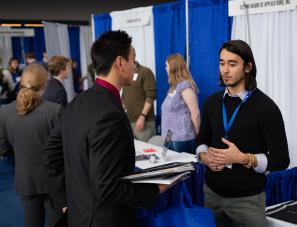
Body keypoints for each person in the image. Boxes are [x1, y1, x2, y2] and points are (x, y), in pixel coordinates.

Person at [43, 30, 170, 227]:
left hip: (78, 215)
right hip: (105, 219)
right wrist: (156, 190)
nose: (134, 65)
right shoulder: (110, 114)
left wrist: (65, 201)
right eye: (132, 59)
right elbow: (107, 188)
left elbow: (50, 154)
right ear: (120, 63)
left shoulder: (77, 102)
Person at [196, 40, 290, 227]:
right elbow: (200, 141)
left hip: (247, 201)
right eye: (222, 63)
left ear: (248, 67)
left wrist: (244, 158)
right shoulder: (212, 102)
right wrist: (205, 157)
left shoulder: (266, 108)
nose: (225, 70)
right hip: (212, 195)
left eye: (232, 64)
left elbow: (281, 159)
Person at [0, 64, 63, 227]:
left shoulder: (5, 112)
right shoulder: (55, 111)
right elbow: (64, 149)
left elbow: (3, 149)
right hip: (53, 182)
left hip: (25, 180)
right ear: (45, 84)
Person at [161, 53, 200, 154]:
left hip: (182, 137)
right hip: (169, 136)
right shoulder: (173, 87)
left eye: (167, 66)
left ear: (173, 68)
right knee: (168, 164)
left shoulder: (185, 86)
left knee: (183, 168)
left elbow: (195, 113)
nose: (165, 68)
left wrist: (199, 135)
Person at [122, 60, 157, 142]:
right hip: (130, 121)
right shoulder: (126, 74)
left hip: (144, 122)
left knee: (148, 151)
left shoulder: (145, 72)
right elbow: (124, 95)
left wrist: (142, 116)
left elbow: (150, 97)